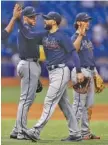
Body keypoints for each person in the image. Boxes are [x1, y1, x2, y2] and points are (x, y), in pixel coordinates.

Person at [22, 11, 84, 142]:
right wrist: (18, 20)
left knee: (49, 101)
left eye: (47, 19)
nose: (44, 21)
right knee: (65, 105)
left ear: (54, 21)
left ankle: (36, 131)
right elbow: (28, 35)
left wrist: (78, 71)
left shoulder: (62, 36)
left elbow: (73, 53)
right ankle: (76, 134)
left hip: (61, 71)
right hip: (52, 73)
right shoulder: (44, 35)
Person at [10, 5, 47, 140]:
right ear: (25, 17)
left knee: (27, 99)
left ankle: (16, 129)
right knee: (26, 100)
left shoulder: (27, 28)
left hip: (31, 64)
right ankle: (21, 131)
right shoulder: (25, 28)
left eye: (35, 16)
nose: (34, 18)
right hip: (28, 64)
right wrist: (48, 32)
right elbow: (32, 36)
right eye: (31, 17)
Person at [71, 12, 100, 140]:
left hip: (90, 70)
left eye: (88, 20)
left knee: (88, 105)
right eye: (85, 20)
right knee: (78, 104)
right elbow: (74, 51)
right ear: (78, 22)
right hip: (80, 72)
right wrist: (80, 36)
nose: (88, 22)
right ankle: (73, 133)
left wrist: (95, 73)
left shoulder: (88, 38)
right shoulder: (74, 37)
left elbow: (90, 57)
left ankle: (85, 132)